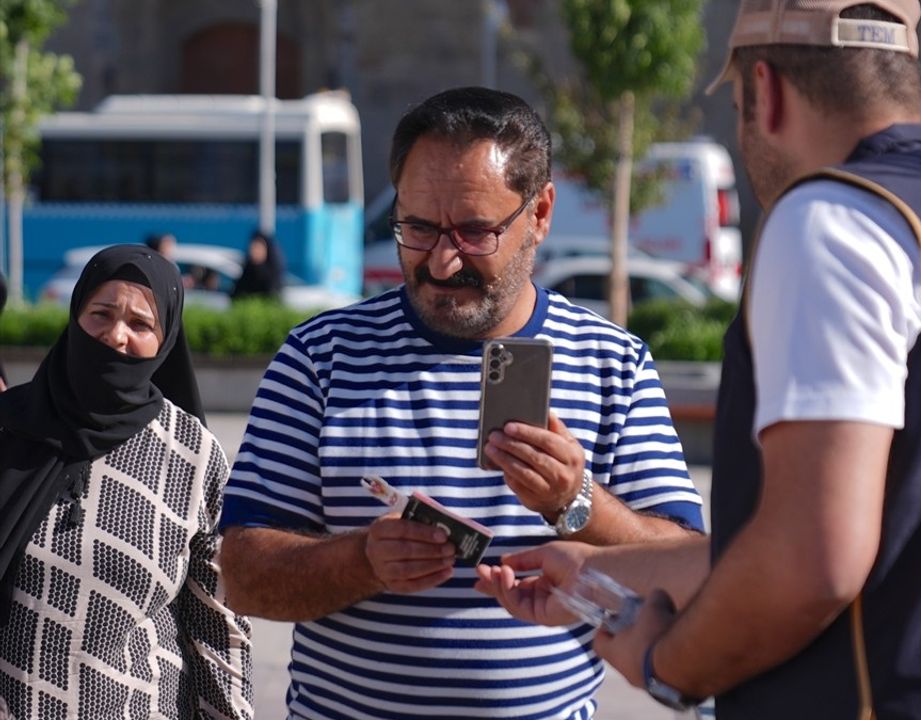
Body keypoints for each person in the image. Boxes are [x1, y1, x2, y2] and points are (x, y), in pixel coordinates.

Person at [477, 2, 921, 718]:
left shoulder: (835, 218)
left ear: (766, 93)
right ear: (912, 89)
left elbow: (814, 559)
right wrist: (598, 571)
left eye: (739, 109)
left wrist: (667, 664)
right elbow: (868, 534)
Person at [216, 87, 704, 719]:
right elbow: (243, 574)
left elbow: (685, 571)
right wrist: (362, 560)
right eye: (417, 228)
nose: (443, 261)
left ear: (541, 212)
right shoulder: (320, 358)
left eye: (475, 232)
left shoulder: (612, 364)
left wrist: (575, 503)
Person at [0, 245, 251, 719]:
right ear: (75, 317)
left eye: (140, 325)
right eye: (101, 314)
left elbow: (219, 626)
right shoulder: (10, 429)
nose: (116, 335)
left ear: (166, 340)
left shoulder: (192, 456)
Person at [230, 230, 284, 300]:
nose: (255, 251)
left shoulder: (273, 271)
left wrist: (259, 267)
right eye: (253, 247)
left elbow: (271, 291)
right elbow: (237, 294)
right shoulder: (247, 269)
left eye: (259, 248)